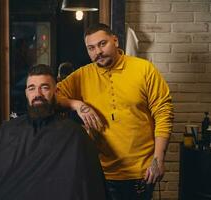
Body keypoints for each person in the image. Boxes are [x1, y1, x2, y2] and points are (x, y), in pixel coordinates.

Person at [56, 23, 174, 200]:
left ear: (115, 41)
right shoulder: (82, 75)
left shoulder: (144, 69)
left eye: (102, 44)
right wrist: (77, 104)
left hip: (141, 171)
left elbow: (163, 112)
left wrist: (158, 158)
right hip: (101, 171)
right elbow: (52, 96)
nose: (98, 52)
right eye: (91, 48)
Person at [0, 64, 107, 200]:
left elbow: (87, 189)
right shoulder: (8, 131)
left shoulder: (74, 135)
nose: (37, 94)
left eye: (44, 87)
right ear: (26, 93)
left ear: (55, 91)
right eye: (32, 88)